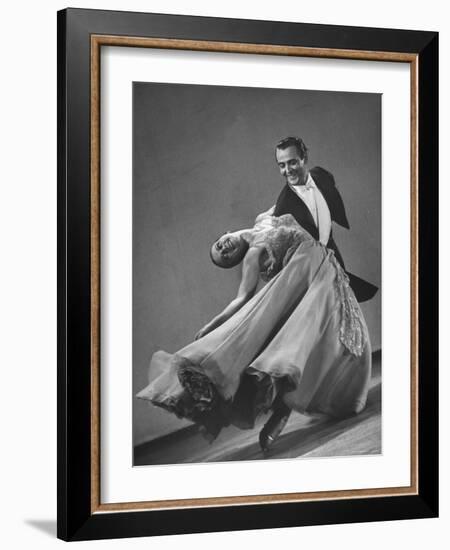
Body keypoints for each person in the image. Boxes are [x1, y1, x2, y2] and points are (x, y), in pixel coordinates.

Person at [137, 211, 372, 453]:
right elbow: (242, 298)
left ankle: (292, 407)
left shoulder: (264, 218)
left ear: (226, 233)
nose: (225, 250)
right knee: (295, 343)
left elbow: (302, 206)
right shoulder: (251, 256)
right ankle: (281, 413)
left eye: (220, 246)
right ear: (237, 259)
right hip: (305, 275)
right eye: (226, 257)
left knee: (334, 333)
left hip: (324, 268)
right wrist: (212, 325)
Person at [272, 136, 377, 303]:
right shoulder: (283, 207)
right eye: (281, 165)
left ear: (304, 158)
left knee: (345, 302)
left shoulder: (322, 175)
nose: (287, 170)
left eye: (292, 162)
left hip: (333, 252)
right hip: (311, 270)